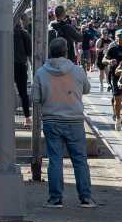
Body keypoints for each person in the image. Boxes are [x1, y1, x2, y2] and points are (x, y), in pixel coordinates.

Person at [33, 37, 95, 208]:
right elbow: (87, 89)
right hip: (74, 120)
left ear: (50, 52)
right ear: (66, 52)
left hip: (51, 120)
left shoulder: (41, 72)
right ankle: (85, 198)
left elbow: (35, 98)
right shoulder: (77, 70)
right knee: (80, 160)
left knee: (55, 160)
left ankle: (55, 199)